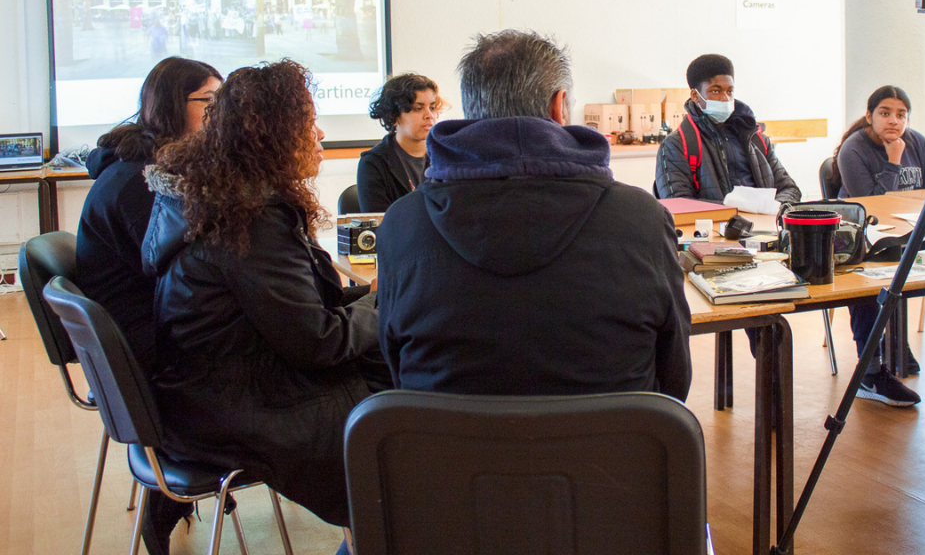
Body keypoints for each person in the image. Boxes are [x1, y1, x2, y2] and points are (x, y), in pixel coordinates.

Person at [143, 59, 386, 552]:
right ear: (271, 136)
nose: (320, 133)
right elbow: (321, 341)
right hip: (239, 407)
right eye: (307, 122)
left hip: (211, 391)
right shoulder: (249, 223)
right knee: (402, 430)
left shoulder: (216, 202)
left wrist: (381, 299)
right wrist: (385, 302)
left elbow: (309, 308)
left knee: (395, 381)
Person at [376, 30, 691, 401]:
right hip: (610, 454)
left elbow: (397, 368)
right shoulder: (643, 218)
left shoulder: (401, 224)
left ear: (471, 110)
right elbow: (673, 378)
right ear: (560, 106)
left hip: (449, 454)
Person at [75, 56, 220, 555]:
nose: (219, 114)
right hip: (151, 354)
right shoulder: (142, 183)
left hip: (143, 339)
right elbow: (182, 274)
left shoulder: (147, 168)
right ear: (171, 107)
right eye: (209, 102)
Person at [834, 85, 925, 406]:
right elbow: (871, 203)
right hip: (867, 235)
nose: (893, 121)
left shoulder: (918, 142)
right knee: (865, 282)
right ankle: (870, 371)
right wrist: (893, 161)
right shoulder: (853, 149)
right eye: (885, 113)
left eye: (901, 115)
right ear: (869, 116)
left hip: (912, 230)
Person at [655, 54, 801, 206]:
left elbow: (790, 189)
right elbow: (678, 204)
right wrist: (733, 211)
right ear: (695, 95)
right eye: (716, 91)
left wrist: (769, 208)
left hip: (765, 227)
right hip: (714, 228)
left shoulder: (756, 139)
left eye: (730, 91)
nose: (725, 98)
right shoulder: (677, 145)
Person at [357, 73, 443, 212]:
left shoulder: (445, 157)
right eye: (418, 108)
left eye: (432, 107)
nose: (429, 115)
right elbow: (379, 223)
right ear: (394, 115)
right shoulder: (374, 163)